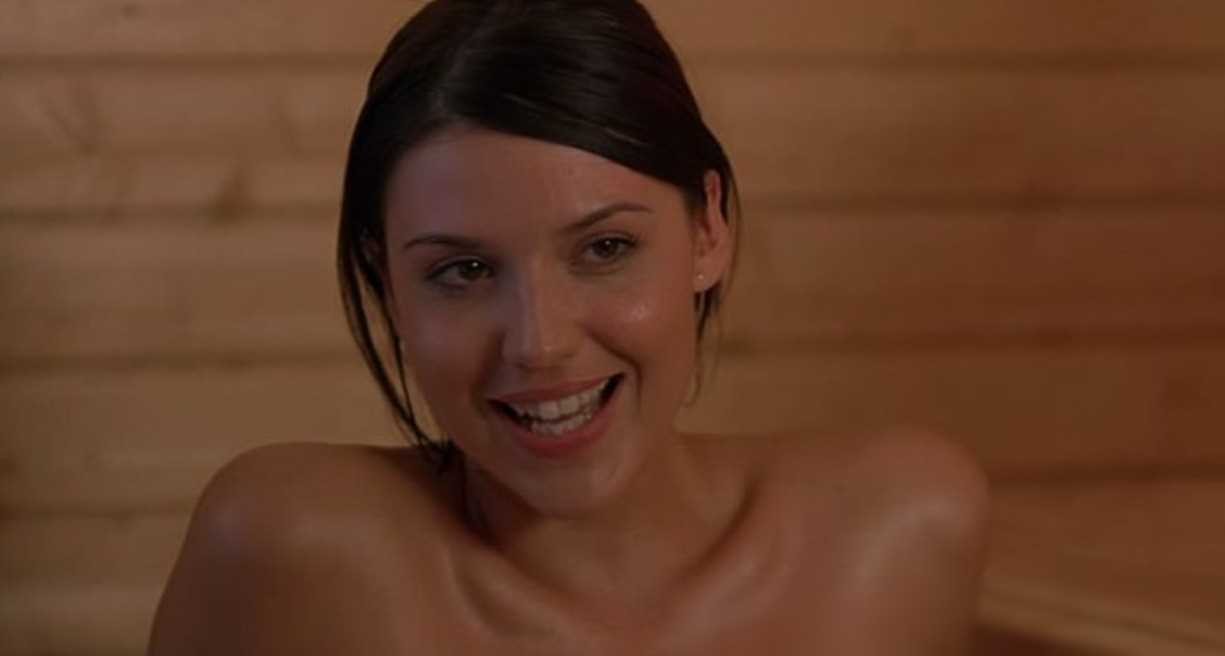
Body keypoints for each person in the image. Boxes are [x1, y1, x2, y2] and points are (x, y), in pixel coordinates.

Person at [148, 1, 989, 654]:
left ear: (708, 230)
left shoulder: (894, 532)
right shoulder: (290, 549)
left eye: (605, 249)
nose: (539, 343)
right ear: (389, 284)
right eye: (463, 271)